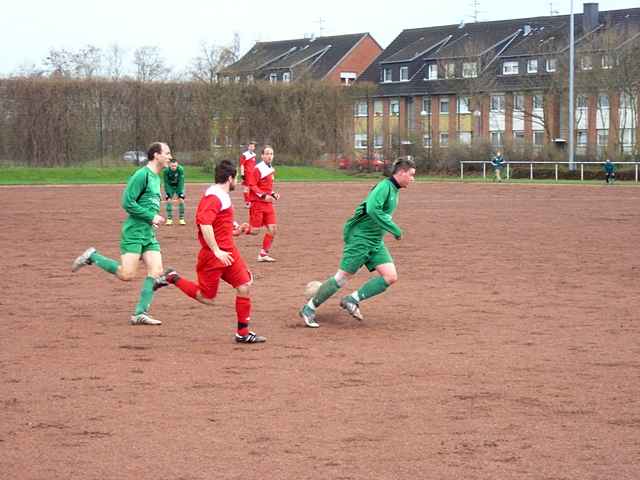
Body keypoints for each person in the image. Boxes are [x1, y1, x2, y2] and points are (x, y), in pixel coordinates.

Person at [153, 160, 266, 344]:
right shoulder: (213, 196)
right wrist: (216, 250)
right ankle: (173, 277)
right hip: (214, 256)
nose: (237, 181)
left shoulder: (222, 195)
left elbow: (219, 225)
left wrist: (237, 230)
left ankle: (243, 333)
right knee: (207, 298)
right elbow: (204, 223)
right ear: (230, 178)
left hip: (228, 252)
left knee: (244, 286)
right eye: (236, 177)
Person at [299, 158, 416, 328]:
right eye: (411, 175)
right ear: (402, 172)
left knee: (390, 276)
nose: (413, 179)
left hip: (375, 241)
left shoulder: (394, 190)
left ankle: (351, 299)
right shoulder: (384, 187)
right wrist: (394, 229)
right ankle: (308, 308)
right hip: (360, 239)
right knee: (341, 278)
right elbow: (372, 209)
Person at [71, 142, 171, 325]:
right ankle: (93, 256)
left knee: (156, 271)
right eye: (167, 153)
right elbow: (127, 202)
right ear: (156, 155)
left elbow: (148, 203)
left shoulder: (157, 178)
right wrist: (151, 216)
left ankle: (139, 313)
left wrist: (151, 220)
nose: (170, 157)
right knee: (127, 274)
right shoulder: (142, 175)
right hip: (133, 231)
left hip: (148, 233)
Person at [246, 145, 280, 262]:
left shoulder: (270, 169)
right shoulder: (258, 169)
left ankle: (263, 254)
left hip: (268, 204)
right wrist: (264, 195)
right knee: (255, 231)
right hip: (258, 204)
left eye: (271, 154)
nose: (269, 156)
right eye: (267, 153)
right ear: (262, 156)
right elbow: (252, 185)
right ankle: (238, 228)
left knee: (273, 229)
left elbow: (267, 188)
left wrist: (273, 194)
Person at [163, 158, 186, 225]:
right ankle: (169, 219)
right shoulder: (166, 171)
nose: (174, 167)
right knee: (169, 200)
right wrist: (168, 192)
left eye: (175, 166)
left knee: (181, 200)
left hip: (178, 185)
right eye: (172, 166)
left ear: (177, 165)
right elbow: (166, 182)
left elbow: (181, 182)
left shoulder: (180, 169)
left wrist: (180, 193)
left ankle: (181, 219)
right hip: (170, 186)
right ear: (169, 165)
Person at [239, 141, 257, 208]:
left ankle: (252, 202)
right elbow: (242, 165)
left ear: (254, 148)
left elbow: (253, 165)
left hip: (253, 174)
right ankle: (247, 203)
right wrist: (242, 174)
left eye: (253, 146)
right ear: (248, 147)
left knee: (253, 188)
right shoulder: (245, 155)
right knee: (246, 188)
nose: (251, 148)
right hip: (247, 174)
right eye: (250, 146)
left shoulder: (254, 155)